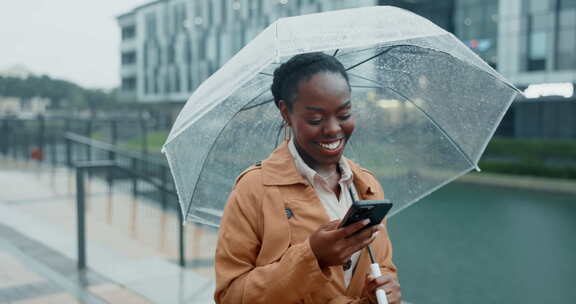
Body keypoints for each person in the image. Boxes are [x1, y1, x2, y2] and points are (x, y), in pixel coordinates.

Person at [214, 52, 401, 304]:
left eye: (344, 114)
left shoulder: (367, 186)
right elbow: (230, 297)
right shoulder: (254, 189)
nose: (334, 128)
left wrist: (384, 290)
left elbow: (384, 267)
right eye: (316, 119)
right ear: (285, 113)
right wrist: (312, 257)